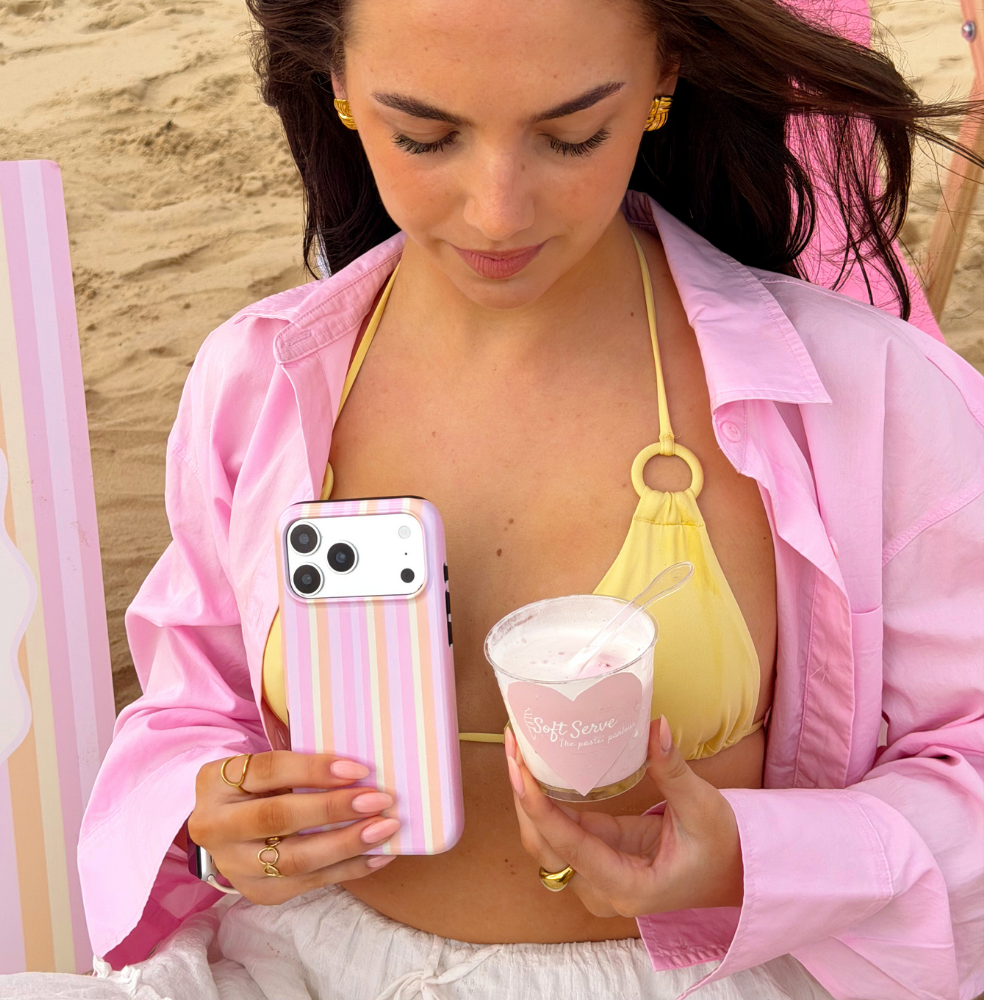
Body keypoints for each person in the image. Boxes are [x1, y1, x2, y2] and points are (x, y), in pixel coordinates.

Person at [67, 0, 982, 998]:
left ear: (665, 75)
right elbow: (192, 703)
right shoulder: (254, 380)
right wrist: (214, 815)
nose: (497, 211)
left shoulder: (867, 396)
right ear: (338, 84)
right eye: (424, 135)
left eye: (572, 133)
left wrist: (754, 858)